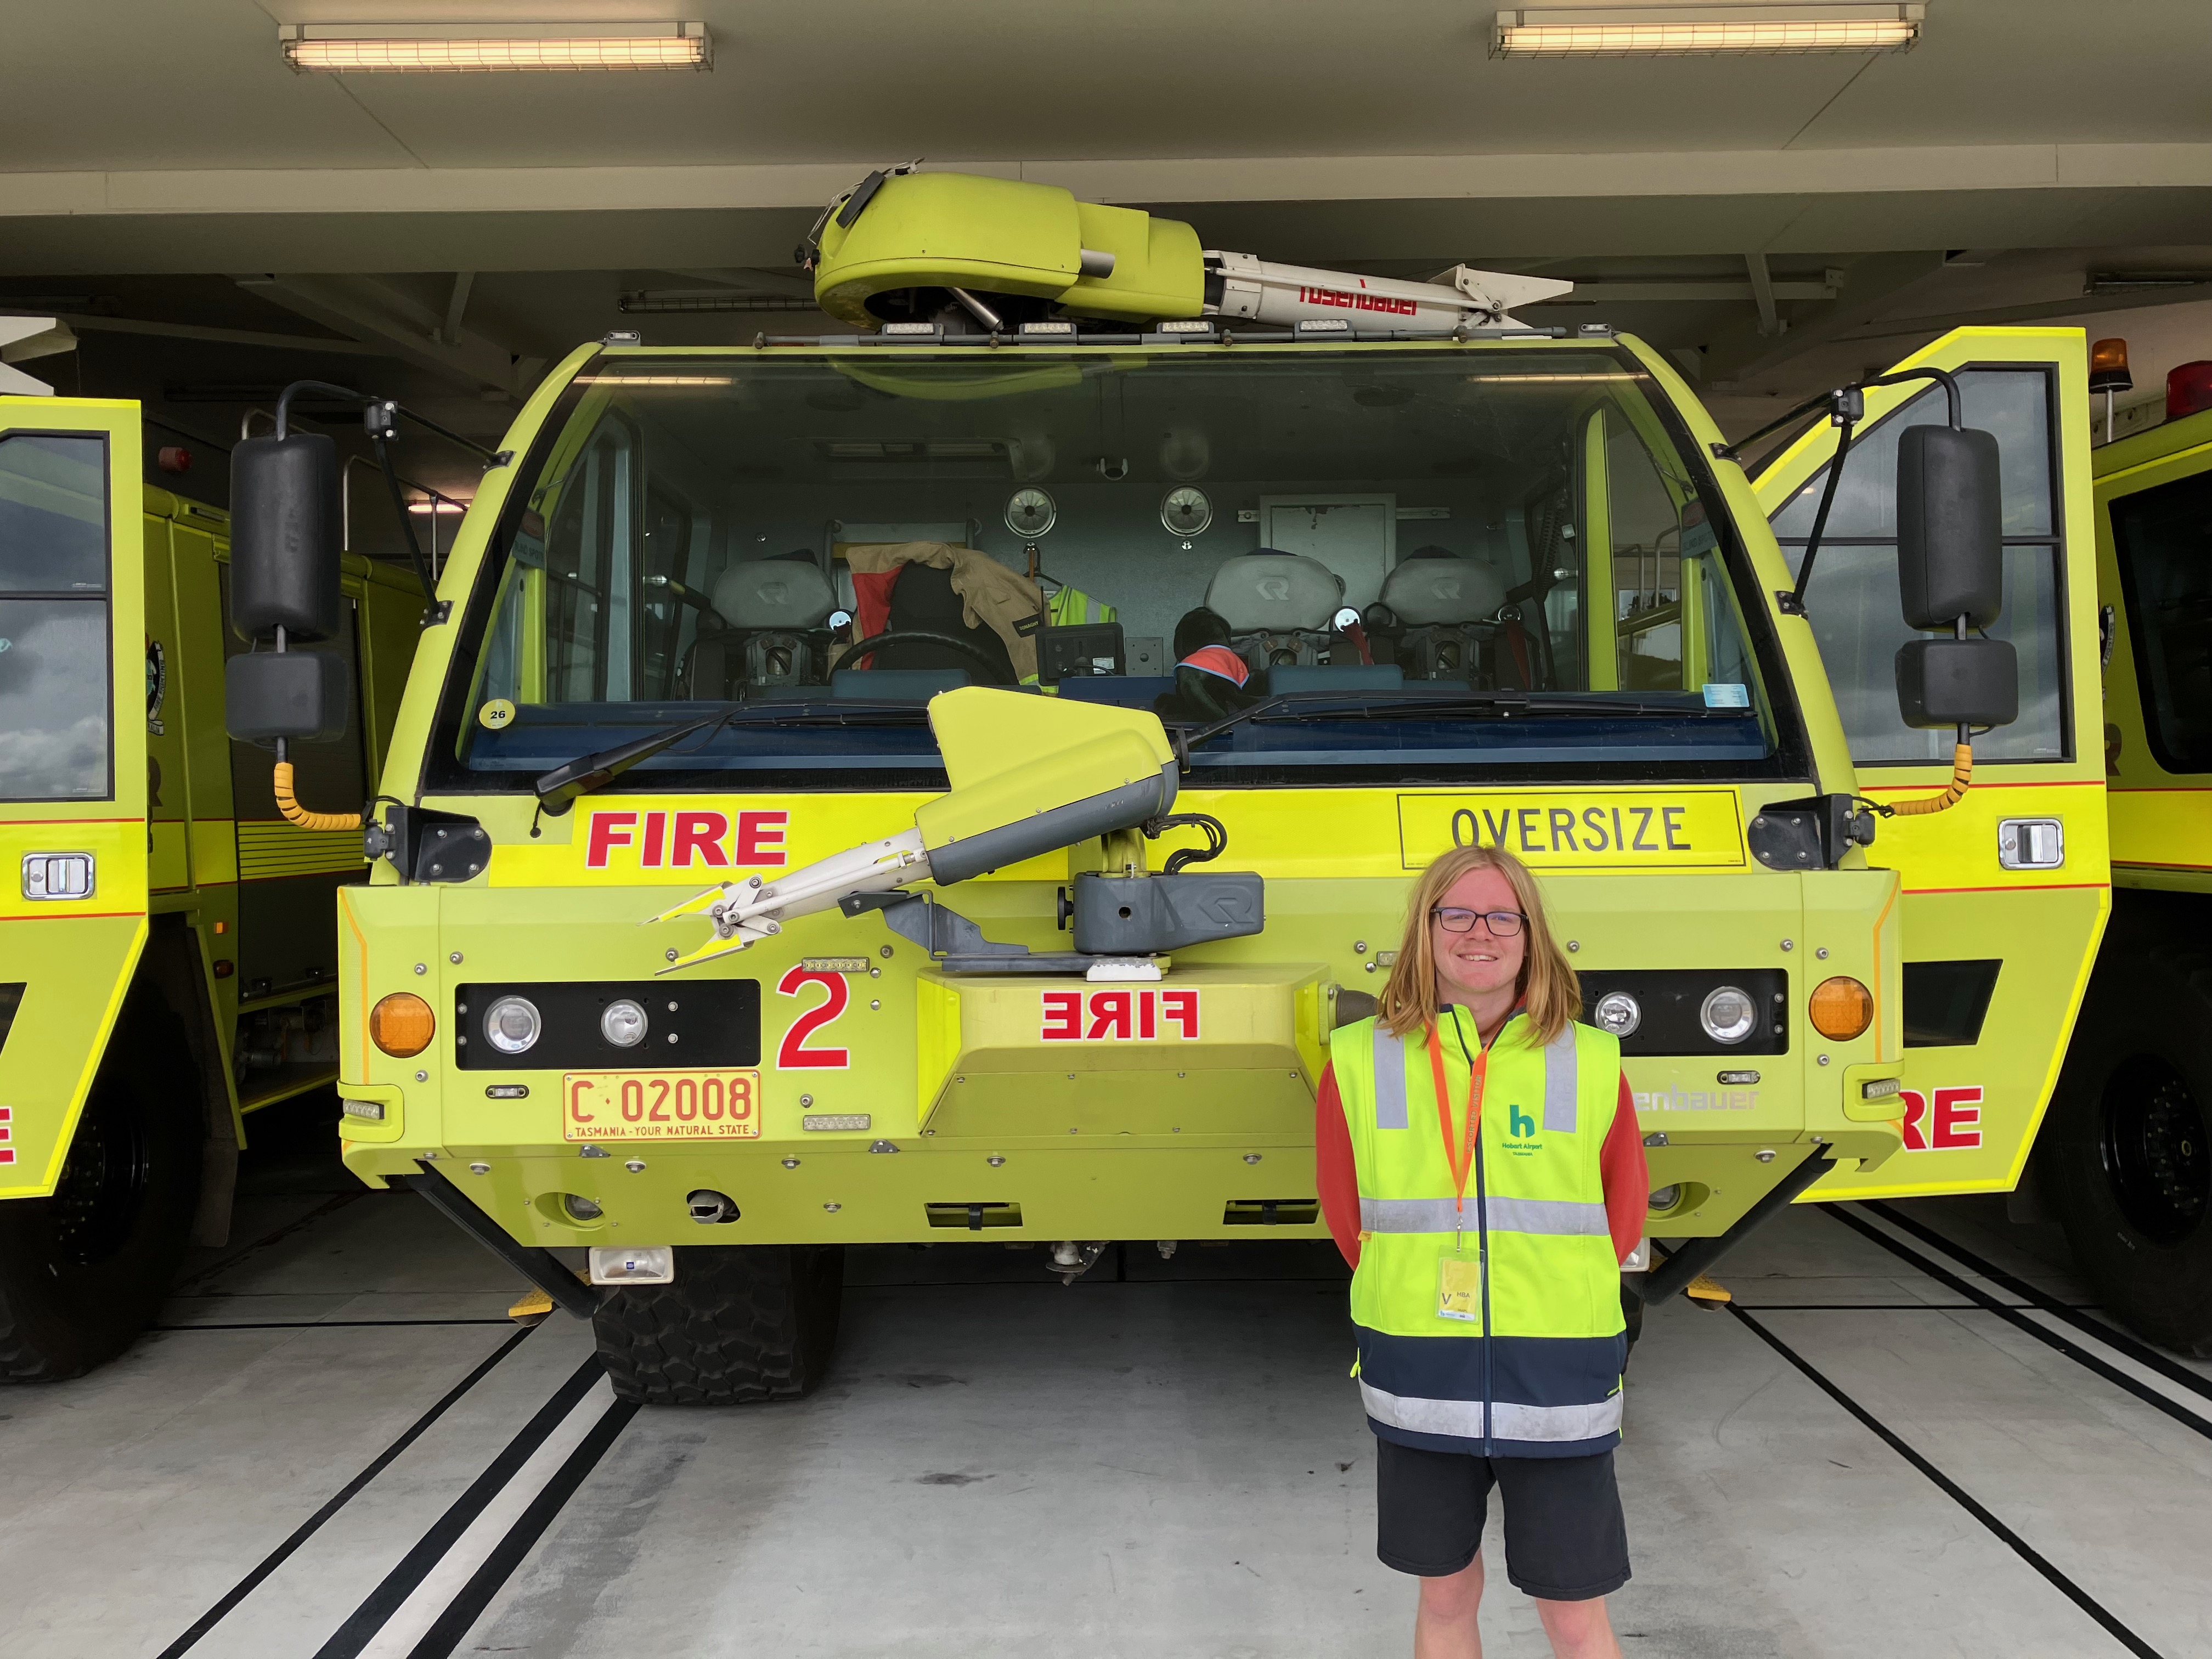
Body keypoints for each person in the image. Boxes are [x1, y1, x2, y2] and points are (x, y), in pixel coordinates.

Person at [1315, 844, 1649, 1659]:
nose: (1479, 933)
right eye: (1455, 914)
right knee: (1446, 1594)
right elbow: (1344, 1213)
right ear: (1423, 933)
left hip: (1559, 1384)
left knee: (1574, 1613)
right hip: (1421, 1378)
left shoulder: (1591, 1059)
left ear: (1532, 937)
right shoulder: (1359, 1059)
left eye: (1504, 916)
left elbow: (1626, 1213)